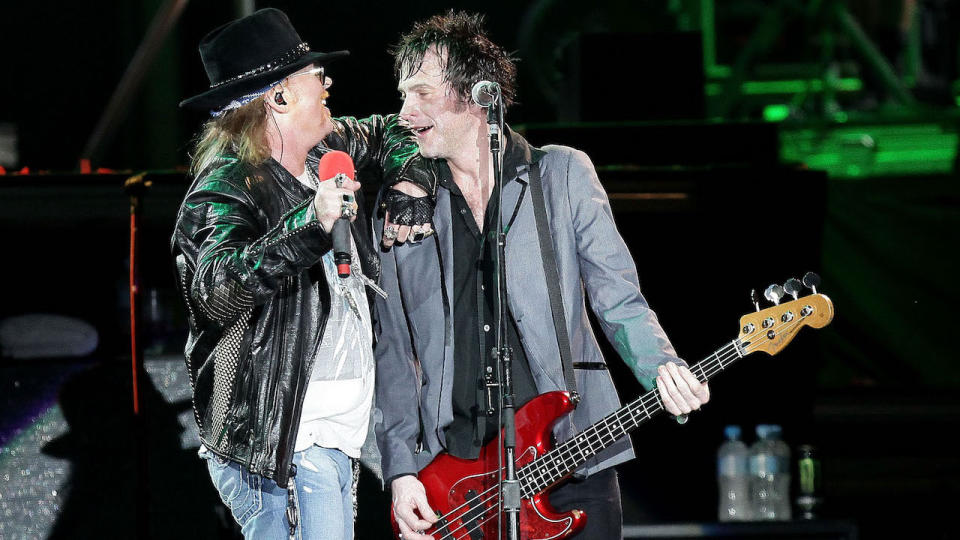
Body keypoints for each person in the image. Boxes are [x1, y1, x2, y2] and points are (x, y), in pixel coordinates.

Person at [374, 11, 711, 540]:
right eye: (402, 95)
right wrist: (399, 470)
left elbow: (618, 299)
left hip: (573, 453)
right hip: (455, 474)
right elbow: (391, 348)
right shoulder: (405, 208)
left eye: (421, 93)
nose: (403, 111)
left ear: (476, 95)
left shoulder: (562, 175)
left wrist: (662, 366)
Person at [172, 8, 435, 539]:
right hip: (282, 443)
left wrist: (409, 180)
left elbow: (391, 131)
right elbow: (216, 290)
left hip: (332, 439)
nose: (328, 83)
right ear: (281, 97)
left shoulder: (330, 153)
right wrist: (310, 224)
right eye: (315, 76)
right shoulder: (225, 188)